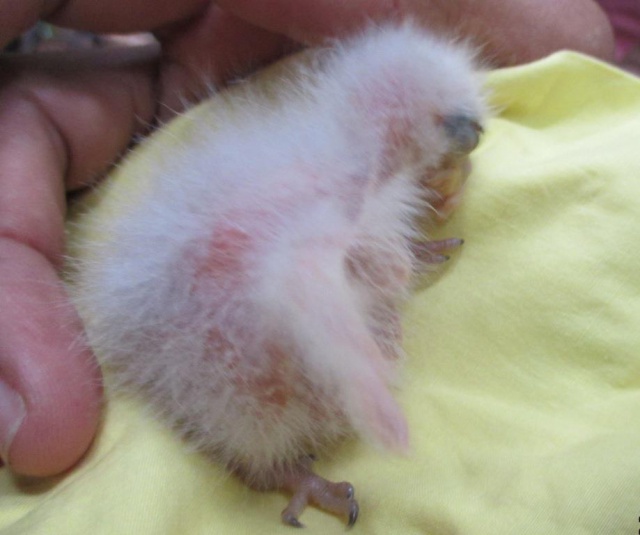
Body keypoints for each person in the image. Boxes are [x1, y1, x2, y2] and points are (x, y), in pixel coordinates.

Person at [0, 0, 614, 479]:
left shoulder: (303, 153)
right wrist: (368, 383)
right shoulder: (342, 183)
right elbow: (298, 268)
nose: (455, 174)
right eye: (458, 142)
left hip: (177, 308)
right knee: (270, 400)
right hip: (234, 365)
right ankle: (268, 469)